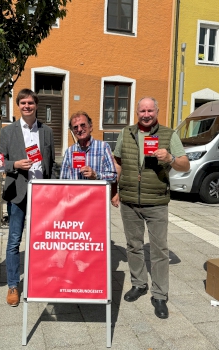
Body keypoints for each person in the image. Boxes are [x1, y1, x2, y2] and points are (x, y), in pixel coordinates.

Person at [113, 97, 190, 319]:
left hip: (156, 201)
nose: (146, 114)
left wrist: (171, 157)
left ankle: (159, 295)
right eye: (142, 111)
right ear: (137, 112)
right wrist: (115, 190)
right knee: (133, 246)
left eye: (150, 110)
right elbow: (118, 161)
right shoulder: (126, 133)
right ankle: (139, 284)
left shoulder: (168, 134)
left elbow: (185, 164)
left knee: (159, 250)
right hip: (129, 200)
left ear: (157, 111)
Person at [0, 88, 56, 306]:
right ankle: (13, 285)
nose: (27, 106)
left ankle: (40, 280)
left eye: (30, 103)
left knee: (41, 241)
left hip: (42, 194)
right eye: (23, 103)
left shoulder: (47, 131)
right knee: (14, 241)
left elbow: (51, 163)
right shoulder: (8, 131)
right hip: (18, 193)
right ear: (18, 106)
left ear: (36, 105)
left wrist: (55, 188)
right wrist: (15, 164)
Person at [60, 111, 117, 182]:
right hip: (76, 192)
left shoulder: (103, 147)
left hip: (96, 192)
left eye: (83, 125)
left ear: (90, 127)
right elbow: (63, 180)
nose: (79, 129)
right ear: (72, 131)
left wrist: (96, 175)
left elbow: (113, 176)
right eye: (75, 127)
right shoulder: (69, 152)